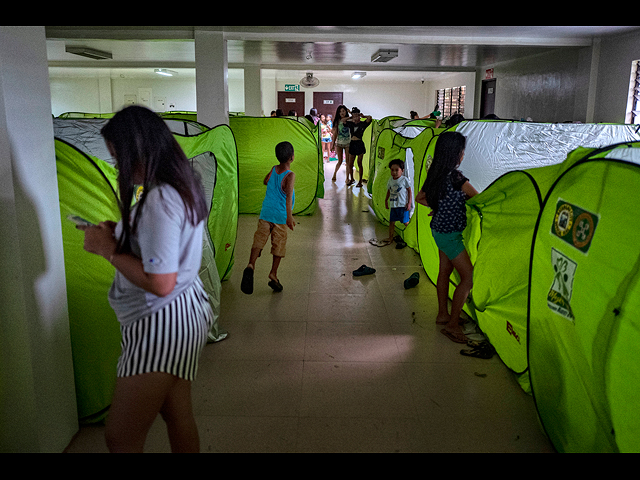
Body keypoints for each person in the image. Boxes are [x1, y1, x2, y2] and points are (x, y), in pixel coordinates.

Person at [76, 105, 214, 452]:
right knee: (178, 416)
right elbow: (164, 250)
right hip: (183, 312)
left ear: (140, 151)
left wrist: (108, 249)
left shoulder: (160, 200)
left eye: (118, 157)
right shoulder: (181, 186)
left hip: (160, 323)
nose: (118, 166)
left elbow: (161, 281)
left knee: (120, 437)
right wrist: (124, 234)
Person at [415, 131, 478, 344]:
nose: (463, 155)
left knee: (444, 271)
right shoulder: (457, 177)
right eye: (462, 152)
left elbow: (419, 198)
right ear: (456, 154)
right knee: (468, 278)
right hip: (450, 236)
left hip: (439, 230)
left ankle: (443, 314)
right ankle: (452, 326)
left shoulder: (435, 174)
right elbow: (479, 198)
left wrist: (438, 207)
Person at [241, 141, 296, 295]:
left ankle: (251, 264)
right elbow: (288, 197)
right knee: (278, 245)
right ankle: (273, 274)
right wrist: (289, 218)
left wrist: (273, 180)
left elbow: (266, 181)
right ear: (292, 157)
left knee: (259, 240)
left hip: (266, 213)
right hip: (280, 216)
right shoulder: (290, 175)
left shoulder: (273, 169)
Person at [384, 159, 412, 244]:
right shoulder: (390, 180)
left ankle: (409, 238)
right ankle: (390, 238)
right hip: (393, 205)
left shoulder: (404, 180)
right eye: (392, 170)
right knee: (392, 222)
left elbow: (409, 191)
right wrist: (386, 200)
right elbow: (389, 190)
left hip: (402, 206)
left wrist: (409, 203)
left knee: (405, 222)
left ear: (402, 171)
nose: (394, 172)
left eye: (397, 170)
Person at [345, 107, 372, 187]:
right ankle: (352, 179)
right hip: (352, 144)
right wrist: (350, 116)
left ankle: (360, 181)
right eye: (354, 115)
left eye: (357, 115)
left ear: (359, 115)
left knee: (359, 163)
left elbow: (370, 118)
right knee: (350, 163)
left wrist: (363, 116)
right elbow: (343, 120)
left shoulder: (363, 123)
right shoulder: (350, 123)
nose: (356, 117)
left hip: (359, 143)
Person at [330, 105, 351, 182]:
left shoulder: (349, 120)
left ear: (346, 111)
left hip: (348, 143)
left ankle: (347, 178)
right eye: (340, 111)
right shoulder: (337, 121)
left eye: (343, 111)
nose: (342, 113)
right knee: (340, 161)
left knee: (348, 161)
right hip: (339, 143)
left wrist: (350, 112)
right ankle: (334, 174)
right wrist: (333, 145)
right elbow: (335, 133)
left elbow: (355, 118)